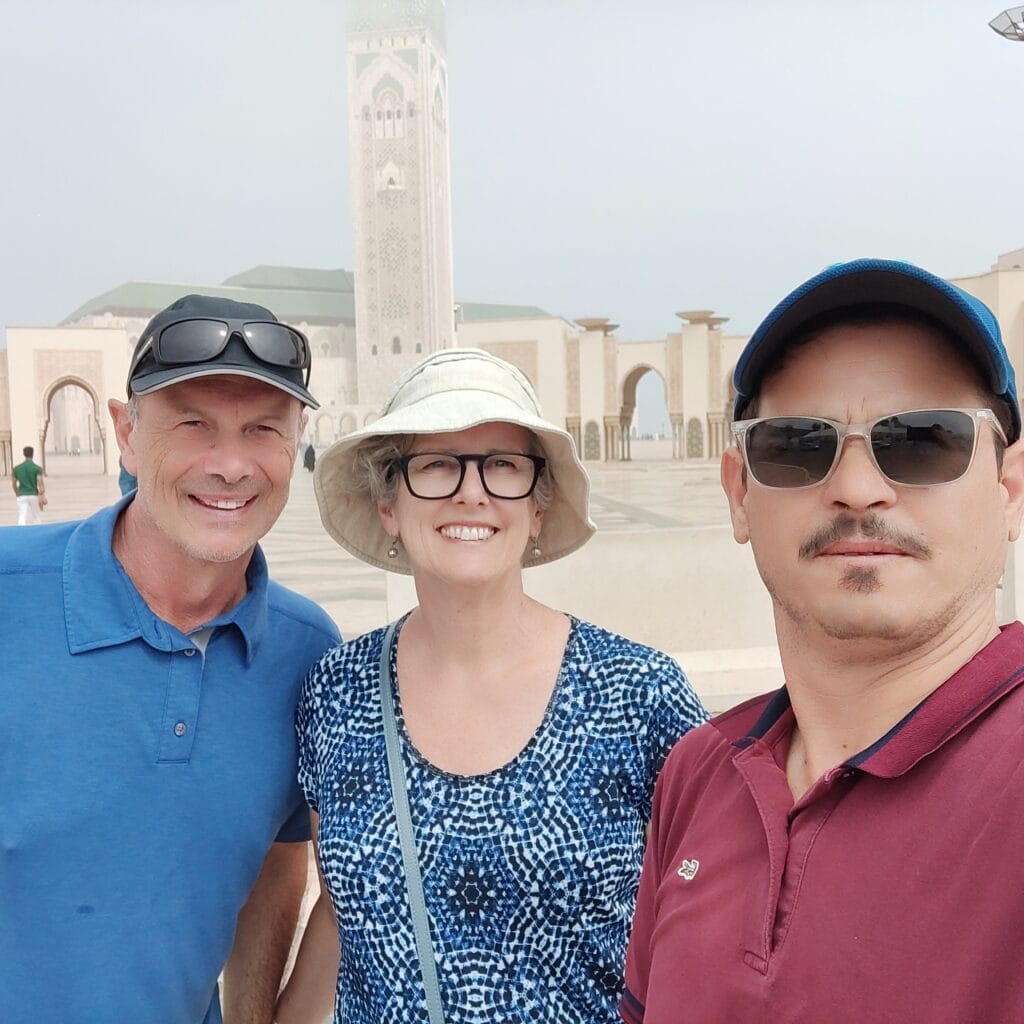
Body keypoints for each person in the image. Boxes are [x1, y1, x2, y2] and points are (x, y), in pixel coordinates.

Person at [621, 258, 1024, 1023]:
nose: (858, 487)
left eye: (923, 440)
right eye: (798, 444)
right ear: (740, 494)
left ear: (1008, 491)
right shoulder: (699, 776)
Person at [275, 348, 707, 1024]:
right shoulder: (338, 692)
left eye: (503, 466)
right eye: (436, 465)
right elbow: (340, 916)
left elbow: (712, 928)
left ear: (537, 508)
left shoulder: (638, 695)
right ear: (388, 504)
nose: (469, 492)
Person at [0, 294, 341, 1024]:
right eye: (193, 424)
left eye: (262, 429)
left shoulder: (306, 653)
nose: (230, 464)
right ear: (126, 432)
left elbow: (282, 856)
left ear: (296, 442)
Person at [11, 444, 45, 523]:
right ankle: (37, 532)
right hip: (33, 494)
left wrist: (17, 492)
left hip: (22, 494)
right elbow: (40, 483)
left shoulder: (17, 468)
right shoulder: (37, 468)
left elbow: (13, 483)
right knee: (36, 516)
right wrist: (42, 493)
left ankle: (21, 532)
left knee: (22, 516)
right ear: (32, 454)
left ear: (24, 454)